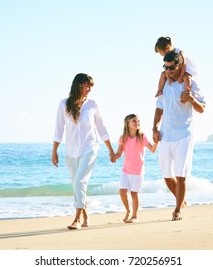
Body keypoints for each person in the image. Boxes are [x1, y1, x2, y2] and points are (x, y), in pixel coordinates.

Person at [52, 73, 115, 230]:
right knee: (77, 185)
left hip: (90, 148)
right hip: (71, 151)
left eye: (90, 87)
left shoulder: (93, 104)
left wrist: (110, 149)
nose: (89, 90)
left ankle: (77, 219)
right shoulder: (63, 104)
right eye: (87, 86)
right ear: (78, 86)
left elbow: (101, 128)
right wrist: (54, 151)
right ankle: (86, 216)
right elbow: (58, 129)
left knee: (80, 181)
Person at [152, 50, 206, 221]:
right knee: (167, 176)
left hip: (184, 134)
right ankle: (181, 200)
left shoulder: (189, 84)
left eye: (172, 67)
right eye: (165, 68)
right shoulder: (164, 86)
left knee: (181, 175)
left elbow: (202, 108)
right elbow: (159, 108)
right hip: (165, 135)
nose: (168, 71)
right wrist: (154, 127)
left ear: (179, 65)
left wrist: (191, 99)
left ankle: (177, 210)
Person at [113, 114, 159, 223]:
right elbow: (119, 153)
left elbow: (152, 149)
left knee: (134, 194)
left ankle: (134, 216)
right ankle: (128, 211)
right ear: (127, 124)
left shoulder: (141, 137)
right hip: (126, 170)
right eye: (134, 120)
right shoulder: (123, 138)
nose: (137, 122)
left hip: (138, 171)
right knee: (122, 192)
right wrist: (114, 156)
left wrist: (156, 141)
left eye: (138, 121)